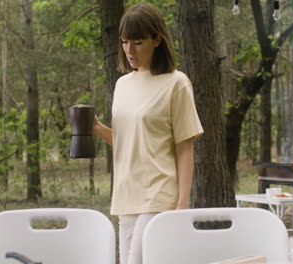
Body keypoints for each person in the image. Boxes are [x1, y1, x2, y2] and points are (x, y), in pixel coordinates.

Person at [93, 2, 204, 264]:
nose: (129, 50)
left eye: (138, 42)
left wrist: (182, 203)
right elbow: (128, 142)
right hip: (125, 196)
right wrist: (97, 129)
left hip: (160, 195)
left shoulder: (177, 83)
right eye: (124, 42)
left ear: (157, 39)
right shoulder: (123, 85)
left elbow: (185, 147)